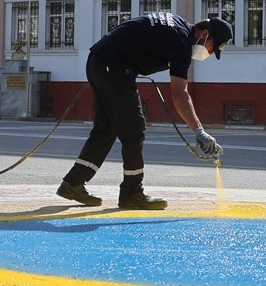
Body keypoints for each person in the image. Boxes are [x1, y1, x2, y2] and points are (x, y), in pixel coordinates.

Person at [57, 13, 232, 211]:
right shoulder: (181, 42)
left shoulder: (177, 25)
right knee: (134, 129)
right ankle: (132, 193)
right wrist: (199, 132)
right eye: (211, 48)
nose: (208, 53)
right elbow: (179, 94)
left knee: (106, 128)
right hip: (114, 67)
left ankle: (73, 183)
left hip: (99, 60)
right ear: (204, 34)